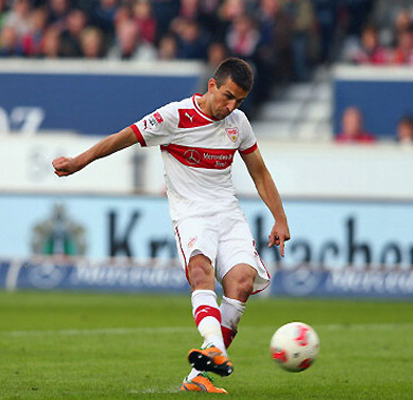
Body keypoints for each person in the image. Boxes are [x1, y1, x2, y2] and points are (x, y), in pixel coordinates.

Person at [52, 58, 290, 394]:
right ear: (211, 85)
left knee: (242, 281)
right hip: (191, 213)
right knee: (200, 270)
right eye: (226, 96)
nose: (231, 105)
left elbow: (259, 172)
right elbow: (124, 137)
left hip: (228, 212)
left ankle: (200, 375)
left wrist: (279, 218)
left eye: (239, 100)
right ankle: (213, 347)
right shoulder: (174, 117)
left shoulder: (238, 123)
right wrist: (80, 161)